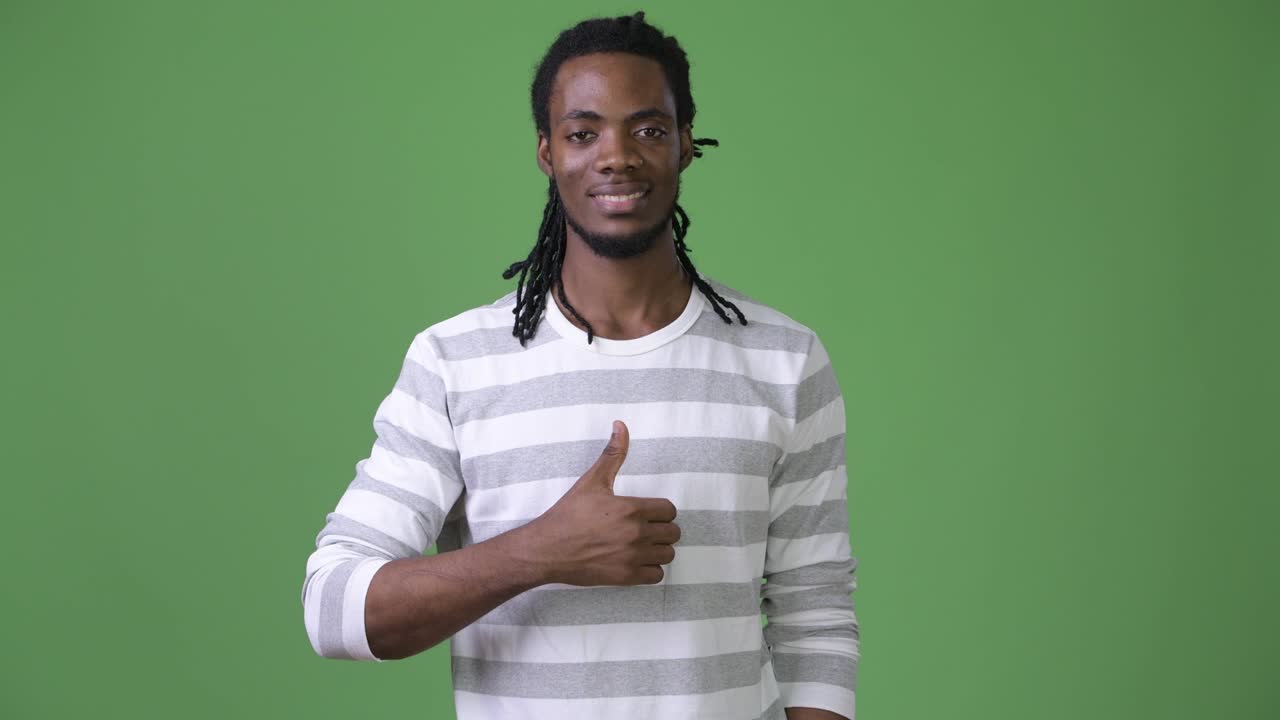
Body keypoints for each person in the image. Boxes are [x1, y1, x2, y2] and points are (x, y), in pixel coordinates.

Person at [301, 11, 859, 720]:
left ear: (687, 145)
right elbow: (333, 609)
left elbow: (816, 612)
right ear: (547, 152)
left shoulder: (785, 359)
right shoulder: (455, 363)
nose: (616, 156)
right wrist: (538, 552)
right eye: (583, 132)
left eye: (649, 130)